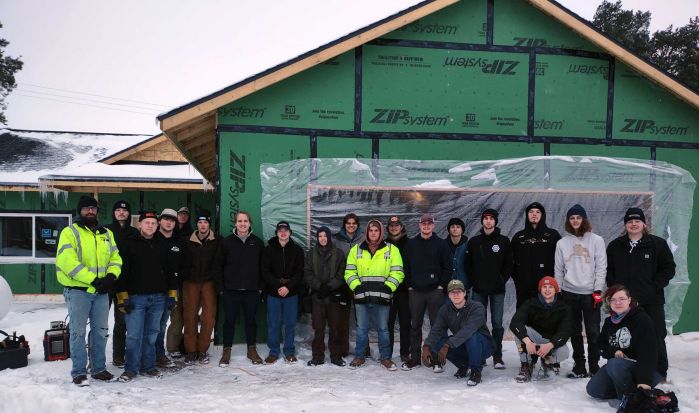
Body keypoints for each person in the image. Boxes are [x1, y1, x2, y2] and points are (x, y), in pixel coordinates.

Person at [56, 195, 122, 386]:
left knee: (100, 331)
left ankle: (99, 369)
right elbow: (67, 262)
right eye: (86, 208)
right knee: (77, 332)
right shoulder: (70, 232)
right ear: (80, 211)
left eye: (93, 208)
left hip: (101, 291)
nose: (90, 211)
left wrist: (111, 277)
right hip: (78, 291)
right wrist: (93, 280)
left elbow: (116, 258)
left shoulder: (106, 234)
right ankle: (78, 372)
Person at [606, 207, 675, 381]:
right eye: (630, 221)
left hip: (651, 301)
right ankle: (629, 367)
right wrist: (616, 292)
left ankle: (660, 372)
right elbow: (609, 271)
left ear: (644, 223)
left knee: (656, 335)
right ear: (625, 225)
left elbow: (669, 268)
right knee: (625, 335)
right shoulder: (616, 246)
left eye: (637, 221)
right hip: (624, 304)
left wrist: (654, 286)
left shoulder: (657, 244)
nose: (634, 224)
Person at [115, 210, 178, 382]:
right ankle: (131, 369)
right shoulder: (129, 243)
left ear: (157, 226)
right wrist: (123, 297)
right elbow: (122, 272)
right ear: (140, 224)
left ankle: (148, 366)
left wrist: (172, 295)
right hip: (136, 298)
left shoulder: (162, 245)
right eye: (147, 223)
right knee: (134, 335)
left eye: (153, 223)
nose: (150, 226)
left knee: (152, 334)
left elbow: (170, 271)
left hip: (158, 298)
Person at [586, 284, 663, 404]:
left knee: (614, 364)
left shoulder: (642, 319)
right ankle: (631, 391)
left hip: (648, 369)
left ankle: (630, 400)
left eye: (622, 299)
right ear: (609, 303)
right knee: (593, 389)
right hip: (622, 368)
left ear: (629, 300)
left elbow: (649, 354)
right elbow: (600, 345)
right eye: (614, 300)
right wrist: (613, 352)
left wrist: (644, 381)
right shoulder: (609, 322)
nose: (618, 302)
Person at [554, 204, 607, 378]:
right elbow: (558, 269)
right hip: (569, 293)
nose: (575, 220)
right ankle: (579, 366)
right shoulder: (562, 243)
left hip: (590, 293)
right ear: (568, 221)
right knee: (574, 331)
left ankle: (594, 366)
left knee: (593, 332)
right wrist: (559, 291)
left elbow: (601, 266)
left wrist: (598, 289)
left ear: (584, 219)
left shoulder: (596, 240)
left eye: (578, 217)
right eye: (572, 218)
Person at [344, 219, 404, 370]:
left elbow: (398, 272)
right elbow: (349, 271)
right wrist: (356, 286)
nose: (373, 233)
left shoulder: (391, 250)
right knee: (361, 329)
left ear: (381, 232)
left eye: (376, 230)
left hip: (382, 297)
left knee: (383, 329)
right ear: (366, 232)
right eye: (371, 230)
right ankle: (359, 357)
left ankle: (385, 358)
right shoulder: (356, 249)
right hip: (361, 297)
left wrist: (389, 287)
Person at [213, 211, 264, 367]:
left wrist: (260, 288)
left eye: (245, 221)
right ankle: (226, 351)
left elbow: (263, 267)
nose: (243, 224)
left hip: (251, 291)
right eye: (240, 221)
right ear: (235, 223)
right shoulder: (227, 242)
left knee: (251, 321)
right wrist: (221, 288)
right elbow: (217, 266)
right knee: (229, 322)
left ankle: (252, 350)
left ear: (250, 223)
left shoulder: (257, 242)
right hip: (230, 291)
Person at [402, 213, 452, 371]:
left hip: (434, 292)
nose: (426, 226)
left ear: (433, 225)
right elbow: (405, 266)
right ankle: (416, 358)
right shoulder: (411, 244)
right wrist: (409, 285)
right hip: (415, 292)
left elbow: (448, 267)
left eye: (429, 223)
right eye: (423, 223)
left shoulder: (441, 244)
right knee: (415, 325)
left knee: (436, 326)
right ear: (419, 225)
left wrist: (441, 286)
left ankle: (436, 359)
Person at [421, 279, 493, 386]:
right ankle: (464, 364)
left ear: (464, 293)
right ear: (448, 296)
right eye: (452, 292)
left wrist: (448, 345)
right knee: (437, 342)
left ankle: (476, 371)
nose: (456, 295)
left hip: (483, 346)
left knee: (472, 335)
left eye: (459, 291)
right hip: (462, 344)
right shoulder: (445, 310)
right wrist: (426, 347)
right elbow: (436, 330)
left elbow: (469, 329)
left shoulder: (476, 307)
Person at [465, 208, 512, 370]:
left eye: (491, 218)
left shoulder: (504, 241)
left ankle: (497, 356)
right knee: (479, 322)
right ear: (482, 221)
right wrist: (474, 281)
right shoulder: (474, 242)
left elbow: (508, 265)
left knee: (497, 323)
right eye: (486, 218)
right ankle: (482, 354)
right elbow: (468, 265)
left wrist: (501, 280)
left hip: (497, 290)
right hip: (478, 290)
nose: (488, 221)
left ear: (495, 221)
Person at [510, 276, 572, 383]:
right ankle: (526, 364)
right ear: (540, 289)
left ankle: (547, 361)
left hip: (551, 340)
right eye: (544, 287)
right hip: (534, 338)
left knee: (564, 352)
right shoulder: (530, 303)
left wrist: (550, 345)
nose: (547, 290)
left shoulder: (564, 307)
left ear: (556, 290)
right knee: (519, 333)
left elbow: (565, 331)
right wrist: (528, 341)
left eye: (550, 287)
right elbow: (515, 322)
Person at [261, 221, 304, 363]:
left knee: (290, 323)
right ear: (276, 233)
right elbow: (265, 271)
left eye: (286, 230)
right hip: (273, 293)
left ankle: (289, 351)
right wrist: (277, 286)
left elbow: (299, 272)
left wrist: (288, 287)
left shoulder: (297, 250)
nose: (283, 232)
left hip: (291, 293)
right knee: (273, 323)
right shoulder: (268, 250)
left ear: (290, 233)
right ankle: (273, 352)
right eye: (280, 230)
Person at [304, 226, 348, 367]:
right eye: (320, 236)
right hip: (318, 297)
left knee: (335, 327)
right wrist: (319, 286)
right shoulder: (311, 254)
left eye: (325, 236)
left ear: (329, 237)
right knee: (318, 328)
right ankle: (318, 356)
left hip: (334, 297)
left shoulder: (339, 254)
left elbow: (341, 274)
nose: (323, 239)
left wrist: (329, 286)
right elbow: (308, 273)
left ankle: (336, 356)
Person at [182, 209, 220, 364]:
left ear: (209, 224)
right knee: (190, 316)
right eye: (200, 222)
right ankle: (190, 350)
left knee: (209, 316)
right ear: (196, 224)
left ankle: (202, 349)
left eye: (205, 222)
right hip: (191, 282)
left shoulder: (217, 240)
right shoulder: (187, 240)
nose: (203, 225)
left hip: (209, 282)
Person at [105, 200, 138, 368]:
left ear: (129, 213)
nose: (121, 213)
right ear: (113, 213)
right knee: (100, 323)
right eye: (117, 210)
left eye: (124, 211)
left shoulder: (134, 233)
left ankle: (118, 355)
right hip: (106, 283)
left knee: (122, 322)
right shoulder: (105, 231)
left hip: (125, 285)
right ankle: (94, 357)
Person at [511, 202, 561, 308]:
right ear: (527, 215)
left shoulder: (553, 235)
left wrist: (554, 279)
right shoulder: (519, 237)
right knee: (522, 317)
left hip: (546, 286)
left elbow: (561, 260)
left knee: (546, 318)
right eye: (531, 212)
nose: (534, 214)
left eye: (538, 212)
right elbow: (509, 260)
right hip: (524, 287)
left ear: (542, 215)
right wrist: (517, 279)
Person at [154, 208, 186, 368]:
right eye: (166, 219)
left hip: (172, 290)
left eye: (172, 220)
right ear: (160, 221)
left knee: (162, 323)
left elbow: (183, 266)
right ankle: (149, 353)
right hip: (152, 289)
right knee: (151, 324)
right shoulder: (151, 239)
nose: (168, 222)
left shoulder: (178, 242)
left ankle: (159, 354)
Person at [334, 213, 363, 358]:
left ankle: (364, 349)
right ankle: (342, 349)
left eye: (354, 223)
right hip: (343, 284)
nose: (351, 225)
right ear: (344, 225)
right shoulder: (337, 239)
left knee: (362, 318)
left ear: (357, 225)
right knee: (343, 319)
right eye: (348, 223)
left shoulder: (363, 238)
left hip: (360, 283)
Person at [385, 215, 411, 363]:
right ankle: (387, 353)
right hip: (388, 289)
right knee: (387, 323)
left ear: (402, 227)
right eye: (391, 225)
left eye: (397, 225)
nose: (394, 227)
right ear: (388, 228)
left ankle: (405, 353)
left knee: (405, 323)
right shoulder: (384, 244)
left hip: (405, 290)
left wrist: (410, 284)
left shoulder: (410, 243)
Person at [445, 217, 468, 286]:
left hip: (464, 285)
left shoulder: (468, 246)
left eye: (458, 227)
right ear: (449, 230)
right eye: (452, 227)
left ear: (462, 230)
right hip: (447, 286)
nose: (455, 229)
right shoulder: (442, 246)